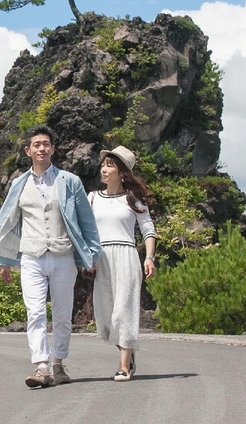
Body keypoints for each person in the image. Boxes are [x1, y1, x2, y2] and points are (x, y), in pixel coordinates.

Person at [0, 125, 102, 388]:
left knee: (62, 313)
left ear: (53, 149)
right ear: (28, 151)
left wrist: (92, 254)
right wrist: (4, 260)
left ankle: (58, 364)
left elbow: (86, 220)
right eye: (36, 144)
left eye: (46, 144)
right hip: (31, 256)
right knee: (35, 311)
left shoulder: (69, 181)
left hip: (62, 255)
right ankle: (41, 366)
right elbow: (8, 221)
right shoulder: (19, 184)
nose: (41, 148)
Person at [89, 145, 156, 382]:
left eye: (110, 166)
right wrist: (87, 258)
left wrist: (149, 257)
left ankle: (124, 365)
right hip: (101, 259)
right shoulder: (93, 198)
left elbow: (148, 229)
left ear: (121, 171)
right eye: (103, 165)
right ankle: (128, 352)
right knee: (107, 315)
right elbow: (86, 231)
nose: (104, 170)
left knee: (124, 311)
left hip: (126, 256)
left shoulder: (133, 199)